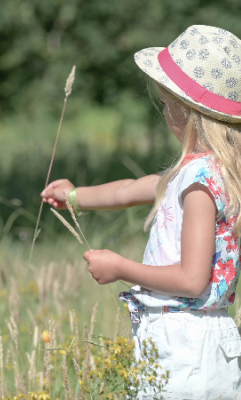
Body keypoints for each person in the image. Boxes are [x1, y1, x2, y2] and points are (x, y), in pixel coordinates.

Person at [41, 25, 241, 399]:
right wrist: (76, 196)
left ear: (188, 113)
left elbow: (191, 280)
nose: (164, 113)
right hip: (186, 341)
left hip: (188, 347)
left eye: (166, 105)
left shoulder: (199, 185)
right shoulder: (198, 173)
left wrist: (120, 269)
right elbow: (129, 189)